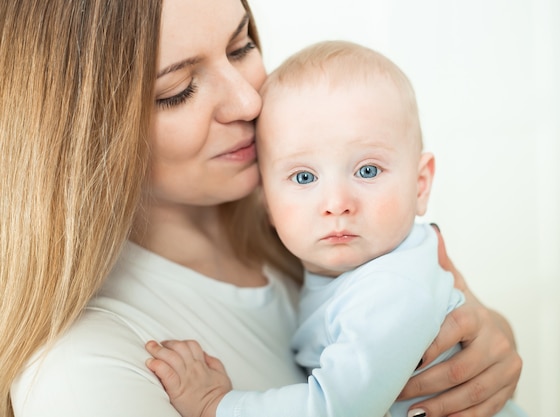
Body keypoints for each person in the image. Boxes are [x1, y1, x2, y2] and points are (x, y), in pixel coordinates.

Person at [0, 1, 521, 417]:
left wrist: (489, 344)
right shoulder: (81, 371)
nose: (249, 102)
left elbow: (445, 330)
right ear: (81, 137)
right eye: (178, 91)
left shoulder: (326, 226)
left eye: (241, 45)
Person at [144, 40, 527, 417]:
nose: (336, 202)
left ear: (420, 184)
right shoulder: (341, 272)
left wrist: (219, 406)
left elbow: (337, 409)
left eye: (367, 170)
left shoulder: (392, 288)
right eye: (305, 176)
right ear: (267, 204)